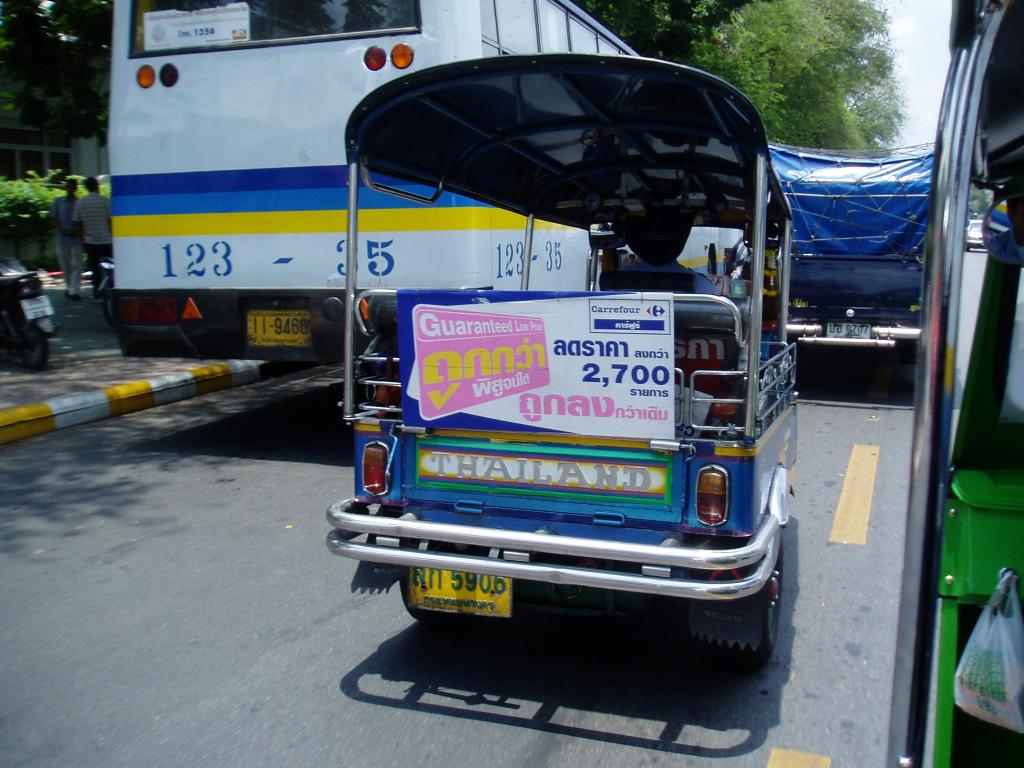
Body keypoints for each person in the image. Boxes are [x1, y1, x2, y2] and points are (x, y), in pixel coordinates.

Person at [73, 176, 112, 298]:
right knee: (109, 268)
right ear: (97, 186)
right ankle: (109, 292)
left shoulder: (81, 202)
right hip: (106, 239)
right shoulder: (105, 201)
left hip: (90, 241)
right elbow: (110, 221)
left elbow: (78, 223)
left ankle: (97, 293)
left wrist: (82, 239)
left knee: (95, 269)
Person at [51, 178, 82, 300]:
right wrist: (61, 229)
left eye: (73, 187)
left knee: (77, 266)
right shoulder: (58, 201)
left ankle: (75, 290)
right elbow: (53, 218)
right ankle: (69, 288)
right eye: (68, 186)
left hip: (76, 238)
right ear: (66, 188)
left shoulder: (79, 202)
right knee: (65, 265)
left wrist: (76, 230)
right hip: (62, 238)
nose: (70, 189)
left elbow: (82, 220)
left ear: (75, 188)